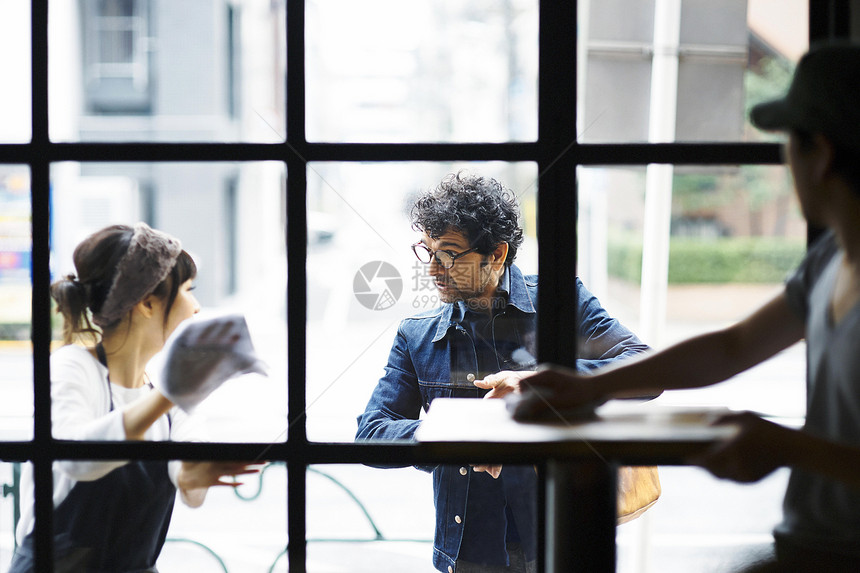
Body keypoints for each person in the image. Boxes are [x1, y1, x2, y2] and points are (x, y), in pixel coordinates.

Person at [502, 43, 860, 572]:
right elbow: (732, 346)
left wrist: (787, 447)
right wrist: (590, 386)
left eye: (791, 145)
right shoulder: (830, 259)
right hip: (809, 541)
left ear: (822, 154)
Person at [355, 172, 650, 573]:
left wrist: (540, 383)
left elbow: (644, 368)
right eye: (428, 252)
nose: (433, 270)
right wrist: (460, 435)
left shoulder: (562, 301)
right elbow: (370, 434)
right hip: (470, 554)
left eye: (449, 255)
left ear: (496, 254)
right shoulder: (418, 335)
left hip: (560, 539)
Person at [9, 223, 261, 573]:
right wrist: (174, 393)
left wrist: (199, 472)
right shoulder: (74, 367)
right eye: (188, 290)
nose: (196, 307)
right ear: (146, 303)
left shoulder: (167, 402)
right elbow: (75, 458)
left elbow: (188, 480)